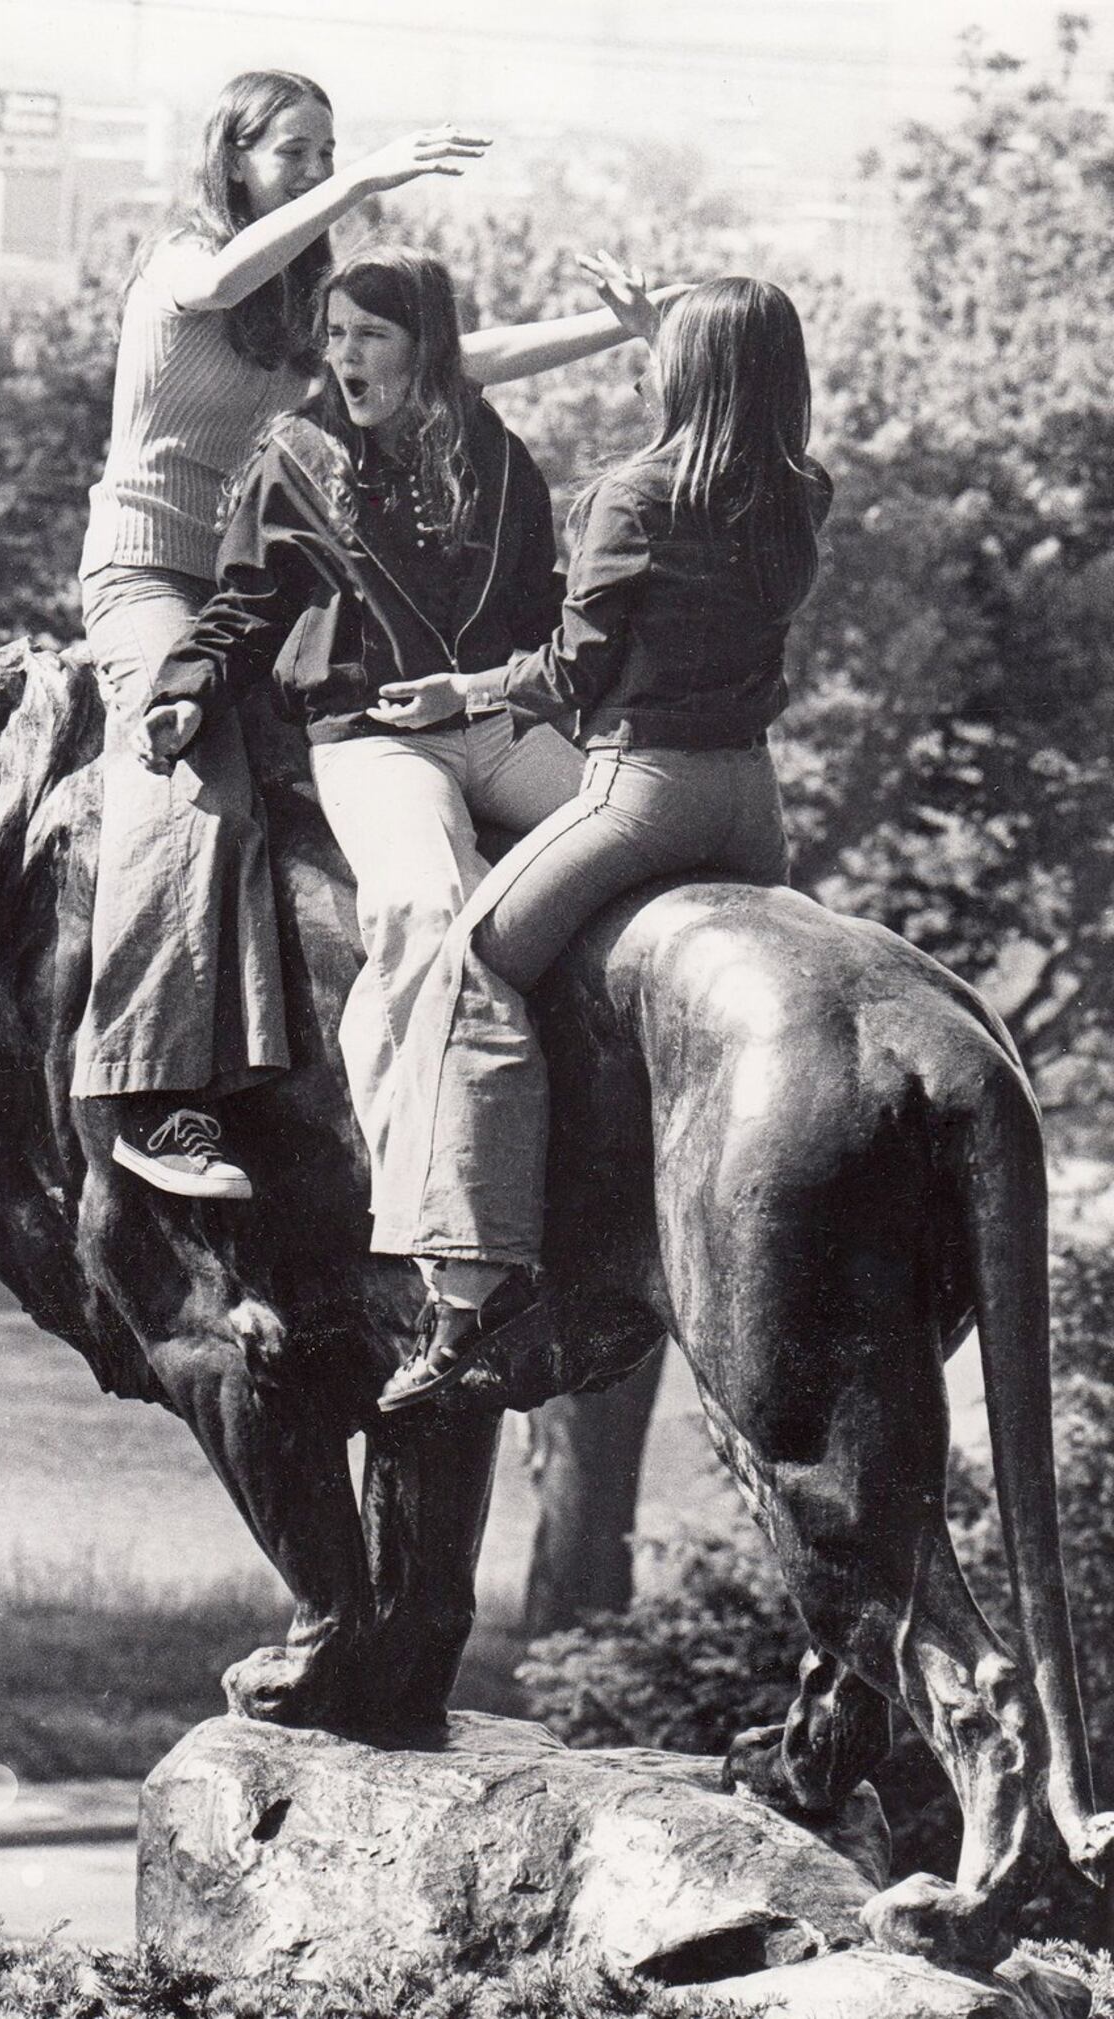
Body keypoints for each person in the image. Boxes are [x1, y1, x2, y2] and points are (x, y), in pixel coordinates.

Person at [76, 66, 672, 1203]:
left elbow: (450, 358)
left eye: (324, 149)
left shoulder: (295, 314)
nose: (310, 170)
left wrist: (612, 327)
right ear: (233, 155)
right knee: (188, 781)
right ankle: (150, 1094)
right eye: (292, 151)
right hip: (157, 574)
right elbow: (217, 277)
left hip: (260, 583)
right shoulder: (184, 265)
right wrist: (364, 177)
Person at [142, 244, 657, 1289]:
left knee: (648, 848)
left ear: (426, 349)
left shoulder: (496, 456)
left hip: (488, 720)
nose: (341, 357)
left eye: (367, 336)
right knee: (429, 910)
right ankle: (446, 1230)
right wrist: (183, 689)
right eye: (332, 337)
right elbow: (246, 602)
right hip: (374, 738)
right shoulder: (292, 455)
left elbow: (536, 613)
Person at [364, 275, 833, 1410]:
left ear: (684, 368)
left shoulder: (635, 493)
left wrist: (460, 697)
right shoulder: (800, 491)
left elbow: (574, 672)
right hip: (752, 809)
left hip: (644, 795)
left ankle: (466, 1300)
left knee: (466, 969)